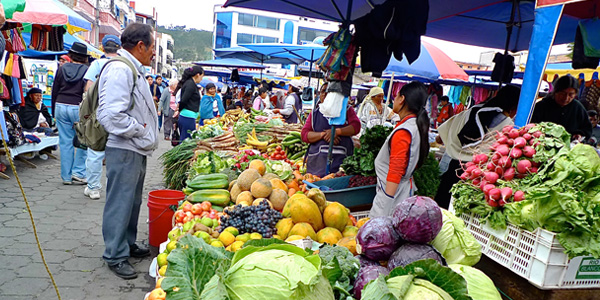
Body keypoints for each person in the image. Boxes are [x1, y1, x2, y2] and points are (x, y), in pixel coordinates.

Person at [96, 23, 158, 279]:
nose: (154, 52)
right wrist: (141, 131)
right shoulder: (121, 69)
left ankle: (127, 243)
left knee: (132, 201)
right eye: (153, 47)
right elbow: (111, 115)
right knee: (120, 201)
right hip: (125, 147)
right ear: (140, 46)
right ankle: (115, 254)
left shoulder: (132, 67)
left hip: (135, 148)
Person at [435, 85, 521, 209]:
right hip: (476, 177)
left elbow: (439, 138)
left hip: (453, 168)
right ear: (515, 107)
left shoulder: (472, 111)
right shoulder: (508, 126)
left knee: (441, 209)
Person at [370, 82, 430, 217]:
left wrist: (386, 202)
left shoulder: (404, 131)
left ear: (402, 99)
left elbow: (396, 170)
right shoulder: (415, 125)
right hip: (402, 192)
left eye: (396, 96)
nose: (394, 99)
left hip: (393, 195)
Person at [81, 34, 122, 200]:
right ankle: (116, 189)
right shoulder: (123, 65)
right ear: (119, 48)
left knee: (95, 151)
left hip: (99, 113)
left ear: (102, 48)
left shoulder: (97, 64)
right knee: (116, 152)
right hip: (120, 114)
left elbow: (88, 89)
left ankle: (94, 188)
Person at [301, 82, 361, 176]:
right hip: (317, 164)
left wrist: (337, 132)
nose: (325, 94)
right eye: (323, 91)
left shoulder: (346, 110)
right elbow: (304, 135)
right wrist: (324, 135)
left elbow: (356, 126)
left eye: (329, 91)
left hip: (341, 162)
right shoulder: (315, 113)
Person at [51, 42, 89, 185]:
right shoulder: (87, 70)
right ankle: (78, 173)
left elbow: (55, 89)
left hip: (61, 105)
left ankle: (66, 177)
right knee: (83, 141)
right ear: (84, 57)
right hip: (77, 106)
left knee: (65, 142)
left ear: (71, 55)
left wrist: (54, 108)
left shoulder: (62, 68)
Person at [531, 75, 592, 140]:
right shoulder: (541, 106)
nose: (566, 98)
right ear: (555, 92)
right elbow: (532, 126)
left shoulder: (578, 108)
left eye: (571, 95)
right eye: (562, 94)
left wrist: (579, 134)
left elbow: (586, 128)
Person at [176, 65, 204, 141]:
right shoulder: (190, 84)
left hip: (189, 117)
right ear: (198, 75)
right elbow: (184, 100)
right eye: (202, 76)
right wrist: (179, 110)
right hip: (187, 117)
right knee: (186, 142)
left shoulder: (191, 83)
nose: (202, 79)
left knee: (187, 140)